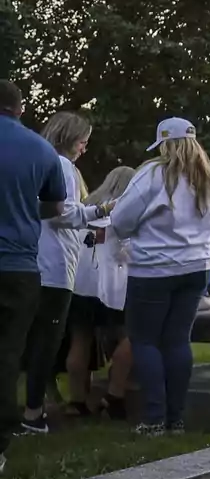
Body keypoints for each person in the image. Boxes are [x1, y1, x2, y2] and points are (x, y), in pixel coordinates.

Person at [110, 118, 210, 436]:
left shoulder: (151, 174)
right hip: (196, 267)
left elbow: (120, 221)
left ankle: (153, 418)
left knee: (145, 341)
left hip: (152, 268)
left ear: (165, 144)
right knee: (177, 341)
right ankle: (175, 419)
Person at [22, 111, 110, 434]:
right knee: (47, 341)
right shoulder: (63, 167)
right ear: (69, 138)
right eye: (83, 142)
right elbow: (61, 213)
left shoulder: (39, 161)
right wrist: (99, 211)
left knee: (31, 340)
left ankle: (30, 405)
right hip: (55, 265)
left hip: (38, 261)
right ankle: (32, 414)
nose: (84, 149)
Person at [0, 82, 66, 472]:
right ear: (20, 109)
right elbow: (54, 206)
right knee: (8, 354)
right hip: (20, 267)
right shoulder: (43, 150)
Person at [71, 166, 137, 419]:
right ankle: (114, 394)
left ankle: (77, 401)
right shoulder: (125, 213)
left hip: (80, 284)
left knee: (80, 340)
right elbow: (128, 252)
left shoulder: (86, 209)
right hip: (113, 286)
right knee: (133, 337)